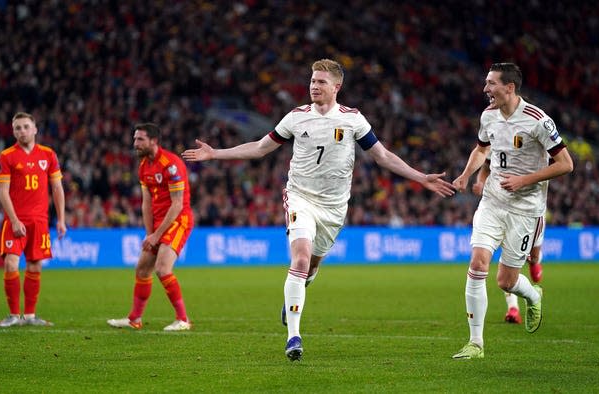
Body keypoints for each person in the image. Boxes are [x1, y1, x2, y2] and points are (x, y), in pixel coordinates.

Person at [181, 59, 456, 361]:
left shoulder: (353, 120)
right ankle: (293, 336)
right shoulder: (296, 117)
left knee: (311, 267)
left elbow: (382, 156)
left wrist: (420, 177)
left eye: (321, 82)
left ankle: (296, 293)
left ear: (336, 87)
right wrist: (215, 154)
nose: (314, 86)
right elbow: (261, 148)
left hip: (335, 207)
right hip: (300, 197)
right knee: (299, 258)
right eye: (312, 80)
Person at [451, 63, 573, 359]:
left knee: (505, 281)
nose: (485, 89)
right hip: (492, 202)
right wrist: (467, 174)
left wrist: (525, 180)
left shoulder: (538, 121)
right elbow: (481, 149)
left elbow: (566, 164)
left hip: (525, 208)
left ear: (509, 87)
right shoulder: (488, 116)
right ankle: (475, 343)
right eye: (486, 83)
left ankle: (533, 295)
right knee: (478, 263)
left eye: (491, 84)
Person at [107, 123, 194, 331]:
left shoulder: (171, 164)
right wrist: (150, 234)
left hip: (177, 220)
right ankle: (134, 319)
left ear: (153, 141)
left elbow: (177, 204)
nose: (135, 143)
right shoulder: (144, 166)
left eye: (140, 140)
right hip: (157, 224)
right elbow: (146, 203)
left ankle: (183, 320)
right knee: (142, 269)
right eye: (135, 139)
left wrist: (157, 234)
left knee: (163, 268)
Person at [0, 112, 66, 327]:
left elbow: (57, 187)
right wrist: (14, 220)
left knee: (35, 266)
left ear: (35, 129)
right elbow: (3, 192)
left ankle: (30, 316)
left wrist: (61, 219)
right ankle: (14, 315)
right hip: (15, 221)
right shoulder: (6, 156)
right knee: (10, 263)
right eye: (17, 128)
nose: (22, 131)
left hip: (40, 221)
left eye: (26, 127)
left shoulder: (48, 155)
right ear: (13, 131)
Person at [472, 157, 544, 325]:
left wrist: (523, 180)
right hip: (498, 208)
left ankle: (534, 263)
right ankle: (513, 308)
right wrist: (480, 182)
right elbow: (486, 165)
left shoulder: (537, 139)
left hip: (529, 210)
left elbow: (564, 164)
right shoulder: (498, 135)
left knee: (530, 260)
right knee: (500, 265)